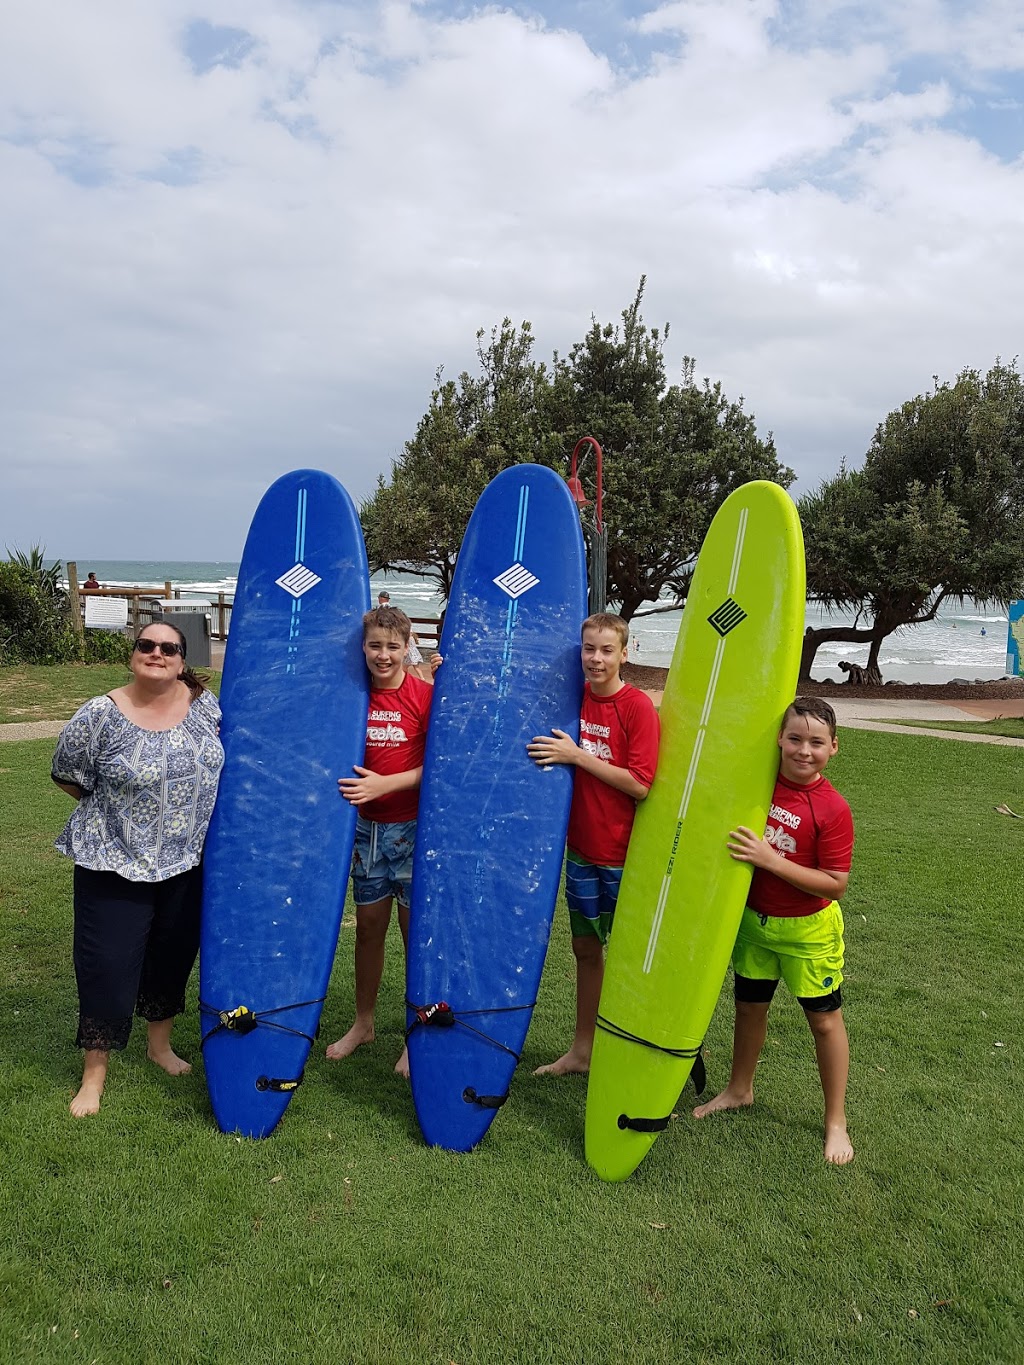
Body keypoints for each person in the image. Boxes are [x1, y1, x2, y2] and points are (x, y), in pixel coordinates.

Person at [51, 622, 224, 1117]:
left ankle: (160, 1046)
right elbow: (67, 775)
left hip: (186, 862)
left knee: (171, 957)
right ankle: (94, 1075)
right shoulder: (98, 716)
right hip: (113, 860)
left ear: (182, 661)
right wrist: (120, 814)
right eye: (146, 645)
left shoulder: (203, 706)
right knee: (107, 966)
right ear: (133, 654)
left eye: (168, 648)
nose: (156, 653)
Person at [693, 697, 856, 1165]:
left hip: (808, 931)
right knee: (748, 1009)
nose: (804, 750)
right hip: (753, 925)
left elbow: (836, 883)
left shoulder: (832, 808)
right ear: (780, 741)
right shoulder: (757, 787)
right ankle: (739, 1089)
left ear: (834, 748)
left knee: (824, 1021)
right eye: (795, 739)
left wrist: (772, 861)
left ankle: (835, 1122)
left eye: (817, 742)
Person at [526, 613, 660, 1075]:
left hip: (624, 858)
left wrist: (578, 756)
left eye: (606, 650)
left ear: (626, 652)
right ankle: (582, 1051)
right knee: (586, 951)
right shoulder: (573, 698)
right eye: (588, 649)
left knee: (626, 958)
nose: (596, 658)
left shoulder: (637, 707)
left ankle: (629, 1053)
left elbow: (640, 784)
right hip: (580, 852)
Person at [326, 605, 434, 1077]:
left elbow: (441, 767)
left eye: (393, 646)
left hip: (411, 829)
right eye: (375, 645)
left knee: (415, 937)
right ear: (363, 646)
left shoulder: (424, 697)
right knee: (369, 928)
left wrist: (385, 786)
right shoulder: (349, 697)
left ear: (408, 646)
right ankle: (364, 1023)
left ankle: (416, 1035)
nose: (383, 655)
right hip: (365, 832)